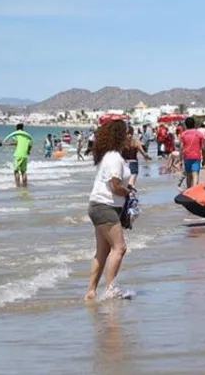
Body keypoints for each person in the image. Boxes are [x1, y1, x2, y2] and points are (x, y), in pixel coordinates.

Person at [85, 120, 133, 301]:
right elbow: (114, 185)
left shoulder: (110, 155)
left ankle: (91, 292)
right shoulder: (113, 157)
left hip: (99, 205)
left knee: (103, 251)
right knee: (120, 248)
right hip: (105, 206)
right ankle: (110, 289)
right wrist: (128, 192)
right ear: (120, 136)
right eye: (128, 133)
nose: (130, 137)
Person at [3, 123, 33, 188]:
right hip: (24, 155)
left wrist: (6, 143)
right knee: (23, 171)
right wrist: (28, 151)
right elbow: (30, 145)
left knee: (16, 171)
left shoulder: (16, 134)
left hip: (18, 155)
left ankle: (18, 186)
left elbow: (15, 142)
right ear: (22, 128)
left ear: (16, 128)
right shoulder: (26, 136)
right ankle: (25, 186)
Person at [180, 117, 205, 188]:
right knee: (195, 174)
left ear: (185, 125)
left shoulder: (183, 134)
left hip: (187, 157)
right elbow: (203, 148)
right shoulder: (199, 134)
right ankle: (195, 191)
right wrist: (204, 159)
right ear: (194, 124)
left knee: (188, 175)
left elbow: (181, 148)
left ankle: (189, 191)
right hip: (196, 157)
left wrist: (180, 160)